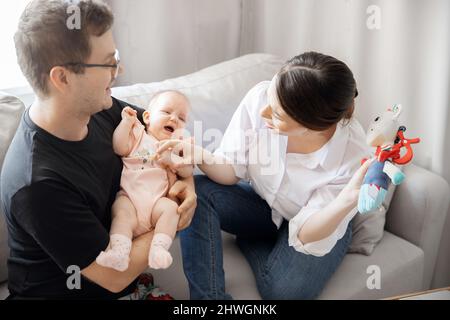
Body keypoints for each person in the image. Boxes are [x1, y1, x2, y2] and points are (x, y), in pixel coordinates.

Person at [0, 0, 196, 299]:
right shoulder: (38, 185)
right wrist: (174, 218)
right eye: (108, 62)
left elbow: (170, 138)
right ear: (62, 78)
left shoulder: (103, 109)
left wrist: (188, 185)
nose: (119, 70)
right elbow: (115, 276)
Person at [157, 52, 372, 299]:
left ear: (310, 127)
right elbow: (231, 169)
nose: (264, 113)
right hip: (264, 204)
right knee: (200, 190)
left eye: (277, 115)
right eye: (271, 99)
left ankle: (253, 240)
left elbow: (307, 232)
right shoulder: (262, 97)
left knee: (283, 294)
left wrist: (347, 201)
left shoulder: (352, 155)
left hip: (319, 223)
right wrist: (198, 155)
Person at [96, 91, 193, 271]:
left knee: (171, 209)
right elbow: (119, 147)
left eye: (181, 118)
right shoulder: (138, 133)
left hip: (157, 202)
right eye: (166, 112)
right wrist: (126, 123)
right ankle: (119, 252)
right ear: (147, 117)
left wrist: (180, 157)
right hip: (130, 198)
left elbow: (187, 171)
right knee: (121, 213)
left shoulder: (176, 147)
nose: (174, 119)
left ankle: (159, 249)